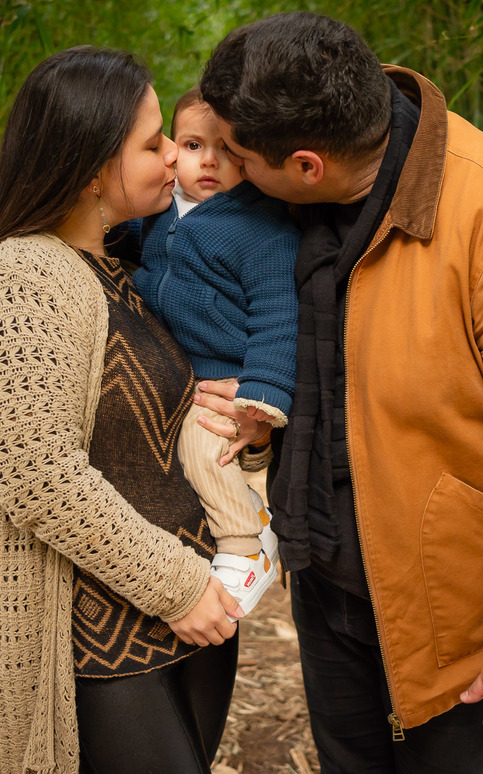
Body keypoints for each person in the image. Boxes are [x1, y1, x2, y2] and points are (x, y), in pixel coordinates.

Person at [193, 12, 483, 774]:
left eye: (236, 154)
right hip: (327, 575)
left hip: (451, 614)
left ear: (305, 164)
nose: (221, 167)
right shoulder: (290, 208)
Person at [0, 46, 263, 774]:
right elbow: (36, 476)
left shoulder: (121, 269)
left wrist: (249, 422)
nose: (175, 156)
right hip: (102, 639)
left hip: (187, 620)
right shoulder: (24, 276)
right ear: (89, 170)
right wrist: (179, 586)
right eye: (152, 144)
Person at [131, 86, 299, 619]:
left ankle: (247, 546)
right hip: (176, 377)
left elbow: (278, 314)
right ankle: (250, 518)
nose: (208, 160)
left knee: (205, 449)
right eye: (192, 145)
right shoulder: (157, 214)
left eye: (225, 148)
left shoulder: (260, 226)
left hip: (227, 381)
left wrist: (261, 395)